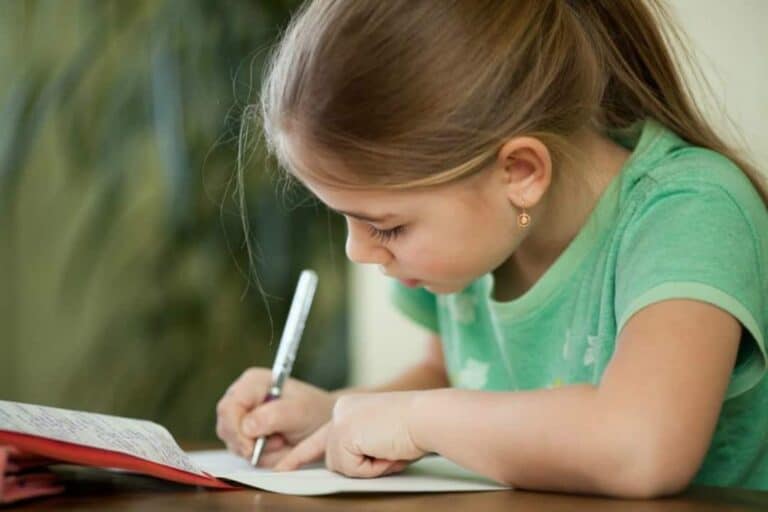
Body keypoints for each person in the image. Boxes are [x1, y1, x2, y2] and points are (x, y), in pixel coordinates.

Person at [215, 0, 768, 498]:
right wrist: (333, 413)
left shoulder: (688, 211)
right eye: (346, 220)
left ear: (520, 173)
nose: (359, 253)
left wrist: (414, 420)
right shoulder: (480, 244)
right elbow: (453, 375)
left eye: (387, 228)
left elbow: (642, 446)